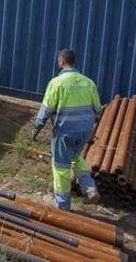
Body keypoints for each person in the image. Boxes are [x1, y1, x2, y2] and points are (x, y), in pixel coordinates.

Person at [32, 48, 102, 210]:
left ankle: (62, 204)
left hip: (65, 133)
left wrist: (38, 125)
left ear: (61, 62)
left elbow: (46, 109)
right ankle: (90, 188)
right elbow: (98, 109)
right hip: (84, 131)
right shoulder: (88, 82)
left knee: (61, 167)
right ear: (74, 62)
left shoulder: (56, 83)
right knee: (76, 157)